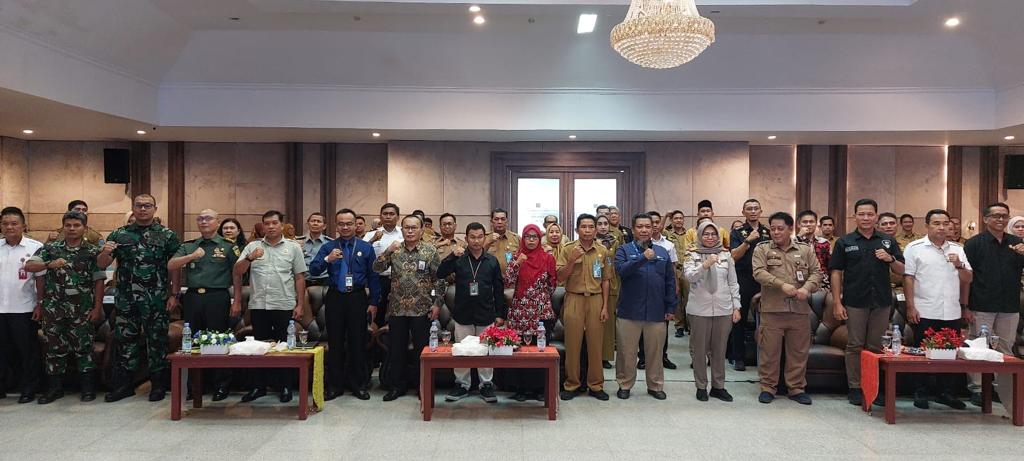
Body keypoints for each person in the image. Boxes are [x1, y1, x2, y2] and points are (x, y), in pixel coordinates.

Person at [98, 195, 181, 402]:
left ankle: (158, 386)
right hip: (126, 298)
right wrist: (105, 252)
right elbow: (101, 264)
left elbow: (176, 267)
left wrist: (174, 294)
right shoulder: (119, 234)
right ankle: (124, 386)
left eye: (147, 206)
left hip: (156, 298)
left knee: (157, 341)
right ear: (133, 208)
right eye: (139, 205)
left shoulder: (167, 235)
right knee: (125, 341)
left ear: (155, 208)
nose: (143, 209)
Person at [830, 198, 905, 407]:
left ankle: (874, 387)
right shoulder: (845, 242)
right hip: (855, 300)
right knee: (855, 345)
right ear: (854, 216)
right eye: (861, 214)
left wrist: (890, 259)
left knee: (876, 346)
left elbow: (902, 269)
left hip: (881, 301)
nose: (866, 218)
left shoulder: (887, 241)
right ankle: (855, 387)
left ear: (876, 216)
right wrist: (837, 302)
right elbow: (836, 272)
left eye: (870, 214)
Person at [24, 211, 104, 404]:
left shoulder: (92, 252)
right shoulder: (51, 248)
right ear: (63, 227)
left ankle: (87, 388)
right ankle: (55, 388)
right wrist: (49, 264)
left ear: (84, 228)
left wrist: (97, 308)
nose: (72, 229)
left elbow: (99, 281)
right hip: (54, 309)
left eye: (76, 225)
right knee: (54, 349)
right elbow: (29, 266)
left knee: (84, 348)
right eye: (68, 225)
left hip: (82, 309)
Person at [167, 209, 240, 402]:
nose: (203, 221)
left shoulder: (228, 246)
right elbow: (172, 265)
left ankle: (221, 385)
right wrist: (190, 257)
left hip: (217, 296)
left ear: (217, 222)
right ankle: (195, 386)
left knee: (218, 340)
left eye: (208, 218)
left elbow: (237, 274)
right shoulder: (189, 246)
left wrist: (237, 300)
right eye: (200, 219)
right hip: (192, 298)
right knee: (192, 341)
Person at [234, 210, 307, 404]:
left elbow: (300, 277)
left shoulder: (293, 248)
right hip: (259, 305)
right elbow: (237, 271)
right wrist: (250, 258)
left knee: (285, 347)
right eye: (267, 223)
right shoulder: (253, 246)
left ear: (282, 225)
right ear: (262, 226)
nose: (271, 226)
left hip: (284, 304)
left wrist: (300, 304)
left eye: (275, 223)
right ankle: (259, 387)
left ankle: (285, 386)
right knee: (259, 347)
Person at [308, 208, 380, 401]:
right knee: (335, 342)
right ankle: (334, 386)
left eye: (349, 223)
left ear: (356, 225)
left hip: (357, 298)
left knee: (358, 342)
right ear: (336, 225)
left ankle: (359, 385)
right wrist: (328, 259)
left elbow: (373, 276)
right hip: (335, 298)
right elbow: (313, 270)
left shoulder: (365, 247)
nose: (345, 227)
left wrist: (374, 302)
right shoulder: (328, 247)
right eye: (341, 224)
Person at [903, 209, 970, 410]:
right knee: (923, 353)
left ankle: (945, 393)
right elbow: (908, 278)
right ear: (927, 225)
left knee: (950, 353)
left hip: (951, 310)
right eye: (936, 223)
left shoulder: (958, 249)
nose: (942, 227)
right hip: (924, 309)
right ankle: (921, 391)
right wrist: (910, 306)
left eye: (945, 223)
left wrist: (959, 265)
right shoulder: (914, 248)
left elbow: (968, 279)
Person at [752, 212, 822, 405]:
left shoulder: (805, 249)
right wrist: (781, 285)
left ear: (790, 229)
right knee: (769, 353)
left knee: (798, 353)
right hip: (772, 310)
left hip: (799, 310)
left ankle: (796, 388)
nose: (775, 232)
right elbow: (758, 273)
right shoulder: (762, 249)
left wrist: (807, 288)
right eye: (773, 229)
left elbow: (817, 273)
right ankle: (768, 388)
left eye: (780, 228)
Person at [372, 215, 443, 401]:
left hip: (422, 309)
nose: (410, 231)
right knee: (396, 350)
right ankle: (397, 386)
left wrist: (437, 303)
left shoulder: (430, 251)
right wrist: (387, 251)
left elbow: (439, 279)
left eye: (414, 227)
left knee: (422, 351)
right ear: (401, 229)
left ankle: (422, 386)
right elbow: (376, 268)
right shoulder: (395, 250)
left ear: (421, 230)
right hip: (397, 309)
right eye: (407, 227)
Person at [437, 221, 506, 403]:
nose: (476, 241)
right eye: (472, 237)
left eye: (480, 237)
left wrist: (500, 314)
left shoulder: (491, 261)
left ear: (484, 238)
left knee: (486, 350)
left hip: (486, 313)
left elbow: (499, 289)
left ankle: (486, 384)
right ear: (466, 239)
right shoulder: (459, 258)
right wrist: (452, 255)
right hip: (463, 314)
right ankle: (462, 384)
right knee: (462, 350)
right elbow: (440, 273)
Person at [964, 203, 1024, 409]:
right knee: (978, 346)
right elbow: (966, 277)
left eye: (1004, 216)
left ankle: (1002, 389)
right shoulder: (974, 243)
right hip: (982, 303)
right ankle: (977, 389)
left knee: (1006, 347)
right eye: (996, 216)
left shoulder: (1017, 243)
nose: (1000, 220)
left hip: (1009, 305)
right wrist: (966, 306)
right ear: (985, 219)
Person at [614, 213, 677, 400]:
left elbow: (670, 281)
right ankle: (624, 384)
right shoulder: (624, 250)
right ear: (633, 230)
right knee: (626, 352)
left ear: (653, 229)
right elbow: (621, 271)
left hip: (657, 312)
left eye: (647, 227)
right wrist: (642, 258)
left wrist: (671, 307)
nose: (644, 230)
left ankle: (655, 385)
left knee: (655, 352)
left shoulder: (662, 252)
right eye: (640, 227)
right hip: (629, 311)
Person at [684, 221, 741, 402]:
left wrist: (736, 306)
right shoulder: (691, 254)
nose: (710, 237)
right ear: (700, 236)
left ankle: (718, 386)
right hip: (699, 310)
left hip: (724, 309)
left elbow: (733, 282)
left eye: (713, 234)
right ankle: (701, 386)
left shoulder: (726, 255)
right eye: (706, 234)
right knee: (699, 351)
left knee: (719, 350)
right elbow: (689, 277)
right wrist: (705, 265)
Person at [557, 213, 611, 401]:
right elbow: (559, 277)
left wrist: (605, 307)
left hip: (596, 300)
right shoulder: (567, 249)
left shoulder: (603, 251)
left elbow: (606, 280)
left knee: (596, 345)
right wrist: (572, 260)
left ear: (595, 230)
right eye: (583, 227)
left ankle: (596, 385)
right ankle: (572, 384)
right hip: (574, 298)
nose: (587, 230)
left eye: (591, 227)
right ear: (576, 229)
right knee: (572, 345)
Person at [503, 224, 558, 402]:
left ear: (540, 239)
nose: (531, 240)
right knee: (519, 350)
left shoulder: (548, 258)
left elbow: (552, 284)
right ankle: (521, 388)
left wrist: (537, 297)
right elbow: (508, 281)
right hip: (520, 312)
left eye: (535, 237)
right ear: (523, 239)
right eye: (528, 236)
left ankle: (540, 389)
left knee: (539, 350)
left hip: (541, 311)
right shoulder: (517, 257)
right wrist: (517, 264)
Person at [0, 206, 44, 403]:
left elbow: (41, 278)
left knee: (27, 352)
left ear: (23, 226)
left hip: (24, 308)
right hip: (1, 309)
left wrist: (40, 304)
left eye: (14, 223)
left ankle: (29, 389)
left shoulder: (35, 247)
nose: (9, 227)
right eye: (5, 224)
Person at [728, 198, 771, 371]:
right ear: (743, 212)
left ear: (761, 211)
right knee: (739, 319)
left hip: (764, 280)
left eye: (756, 208)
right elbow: (734, 256)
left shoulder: (768, 232)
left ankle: (765, 358)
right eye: (749, 209)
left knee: (766, 321)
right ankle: (738, 357)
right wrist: (747, 241)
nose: (753, 211)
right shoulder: (737, 232)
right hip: (743, 278)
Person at [637, 211, 679, 370]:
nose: (654, 226)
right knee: (642, 326)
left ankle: (663, 356)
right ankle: (643, 357)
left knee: (663, 326)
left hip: (660, 292)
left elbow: (672, 270)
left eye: (656, 223)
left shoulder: (668, 245)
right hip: (641, 292)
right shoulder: (637, 244)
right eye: (651, 223)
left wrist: (675, 288)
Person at [365, 203, 403, 326]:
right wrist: (372, 240)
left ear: (398, 217)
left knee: (398, 315)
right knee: (378, 314)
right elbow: (361, 254)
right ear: (380, 216)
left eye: (392, 214)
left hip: (400, 280)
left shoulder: (405, 233)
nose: (388, 216)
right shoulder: (371, 234)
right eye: (385, 214)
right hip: (378, 279)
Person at [596, 215, 621, 369]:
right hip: (593, 285)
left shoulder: (615, 242)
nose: (603, 226)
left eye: (605, 223)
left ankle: (605, 356)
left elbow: (619, 263)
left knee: (608, 323)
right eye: (599, 224)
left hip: (611, 284)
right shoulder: (590, 242)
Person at [796, 210, 832, 290]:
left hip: (822, 285)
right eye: (805, 222)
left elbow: (831, 266)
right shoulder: (792, 242)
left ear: (816, 224)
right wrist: (799, 236)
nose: (808, 224)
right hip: (799, 284)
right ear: (799, 224)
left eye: (811, 222)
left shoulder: (824, 243)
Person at [298, 212, 332, 287]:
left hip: (324, 282)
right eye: (313, 221)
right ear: (308, 224)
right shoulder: (298, 242)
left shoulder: (330, 243)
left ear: (324, 226)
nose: (315, 223)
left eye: (319, 221)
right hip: (303, 281)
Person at [485, 208, 520, 275]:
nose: (500, 222)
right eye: (496, 219)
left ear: (507, 221)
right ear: (491, 222)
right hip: (490, 279)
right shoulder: (485, 238)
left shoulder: (516, 239)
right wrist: (488, 243)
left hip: (510, 279)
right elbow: (477, 257)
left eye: (503, 219)